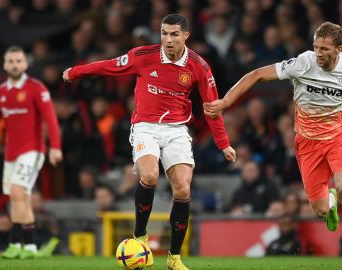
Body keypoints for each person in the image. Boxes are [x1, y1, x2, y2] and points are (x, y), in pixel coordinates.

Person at [203, 22, 342, 270]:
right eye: (315, 47)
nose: (318, 53)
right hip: (307, 143)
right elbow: (255, 75)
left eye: (325, 49)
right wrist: (225, 102)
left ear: (338, 49)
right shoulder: (302, 64)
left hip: (340, 135)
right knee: (319, 210)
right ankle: (329, 202)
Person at [63, 13, 236, 270]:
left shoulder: (199, 66)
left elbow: (213, 108)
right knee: (150, 175)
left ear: (186, 36)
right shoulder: (144, 55)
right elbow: (110, 66)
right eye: (164, 33)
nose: (168, 39)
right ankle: (140, 237)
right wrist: (75, 72)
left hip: (177, 129)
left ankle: (174, 258)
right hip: (145, 126)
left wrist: (223, 143)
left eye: (174, 34)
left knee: (183, 190)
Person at [0, 46, 63, 259]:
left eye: (18, 61)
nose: (14, 65)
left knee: (17, 192)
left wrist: (55, 147)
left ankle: (20, 242)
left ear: (25, 64)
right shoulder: (0, 92)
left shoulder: (36, 88)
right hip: (11, 153)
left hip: (32, 151)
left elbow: (51, 119)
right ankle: (26, 246)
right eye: (10, 61)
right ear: (5, 65)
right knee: (19, 197)